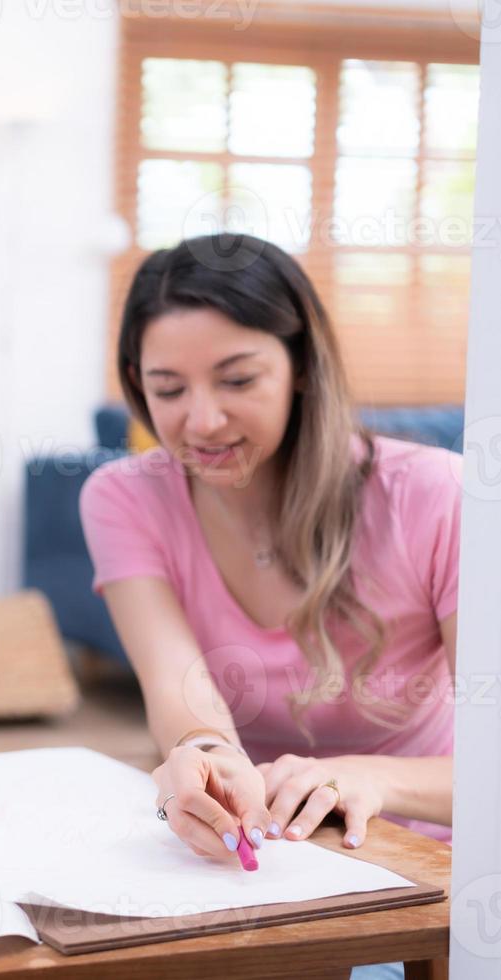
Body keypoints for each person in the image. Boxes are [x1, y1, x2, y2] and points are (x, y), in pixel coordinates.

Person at [80, 233, 457, 868]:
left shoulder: (436, 493)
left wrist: (376, 779)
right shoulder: (124, 497)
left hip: (422, 860)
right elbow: (179, 693)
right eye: (169, 390)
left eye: (237, 379)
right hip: (263, 854)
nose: (201, 422)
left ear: (302, 366)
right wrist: (206, 754)